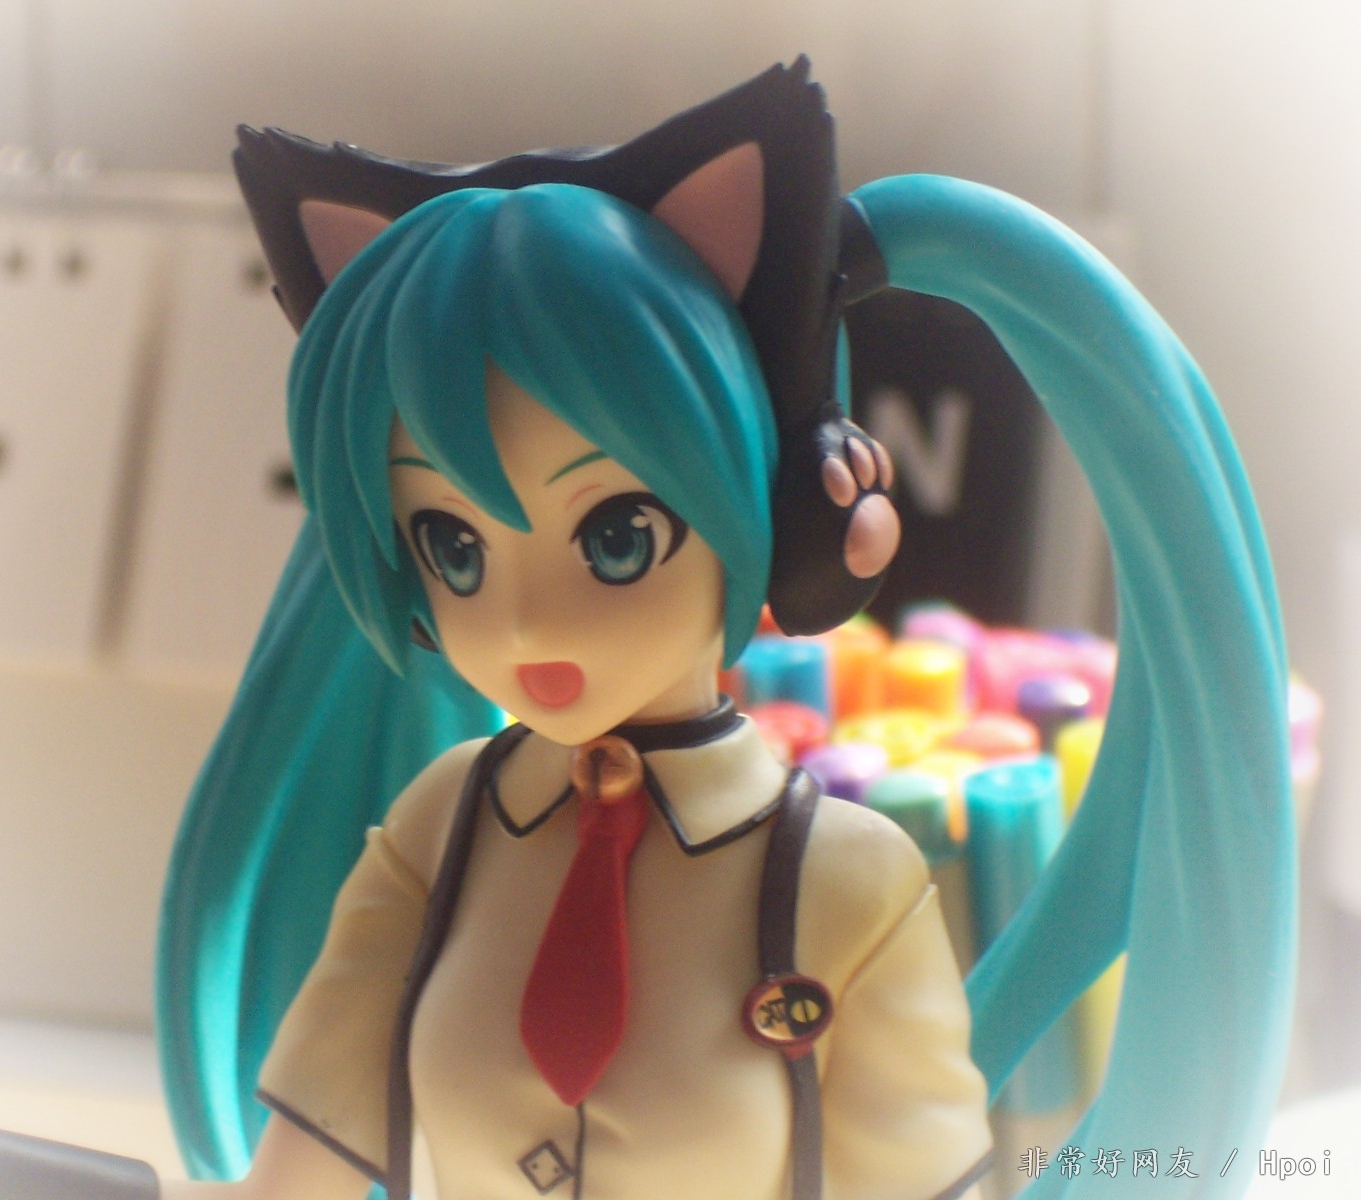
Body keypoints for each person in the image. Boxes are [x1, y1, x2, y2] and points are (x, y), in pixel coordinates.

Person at [157, 58, 1294, 1200]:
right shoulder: (435, 842)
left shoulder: (844, 885)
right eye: (455, 548)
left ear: (790, 518)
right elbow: (306, 1160)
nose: (525, 618)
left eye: (617, 537)